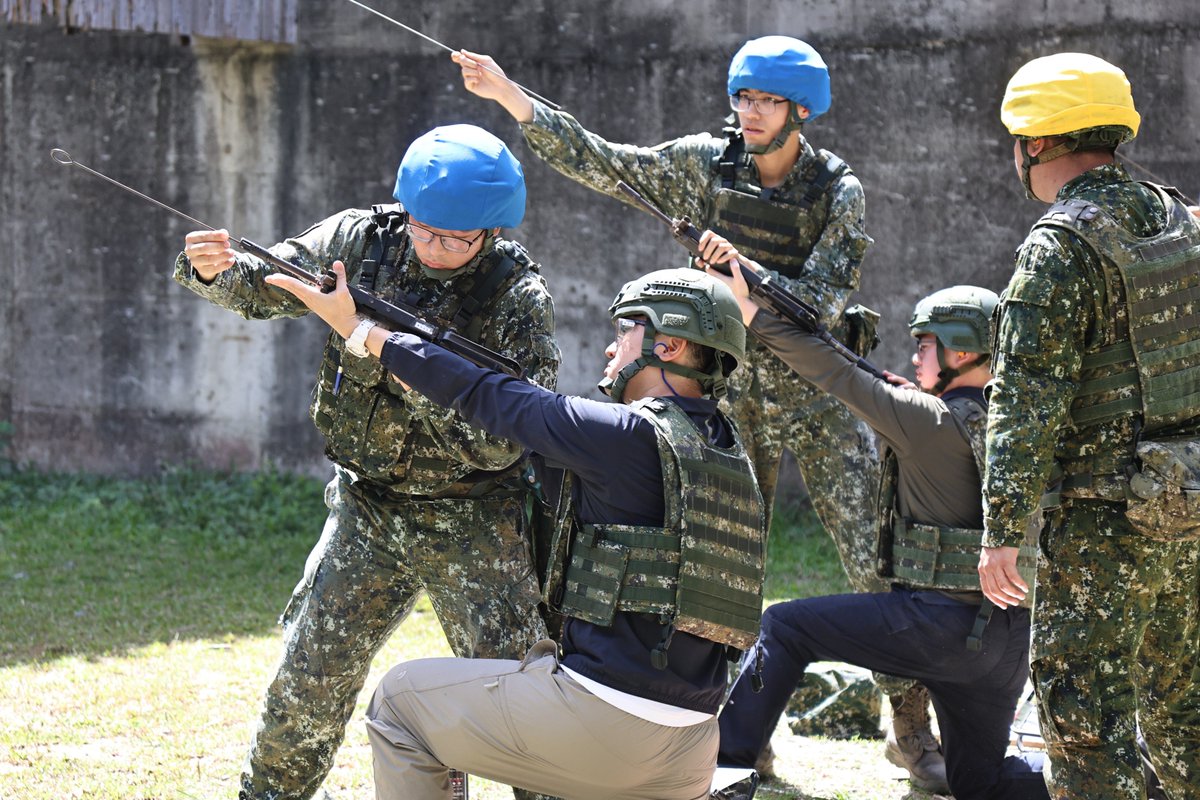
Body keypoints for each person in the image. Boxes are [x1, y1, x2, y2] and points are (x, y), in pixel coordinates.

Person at [451, 35, 947, 782]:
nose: (748, 113)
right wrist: (513, 98)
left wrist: (743, 271)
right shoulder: (703, 165)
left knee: (876, 567)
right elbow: (608, 163)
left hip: (817, 395)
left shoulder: (836, 190)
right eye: (742, 98)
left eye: (767, 101)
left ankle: (913, 738)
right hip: (729, 396)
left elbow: (817, 301)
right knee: (718, 569)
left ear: (800, 112)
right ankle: (738, 736)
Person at [264, 263, 766, 800]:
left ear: (667, 345)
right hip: (692, 751)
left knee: (399, 703)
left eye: (626, 330)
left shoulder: (622, 436)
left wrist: (361, 331)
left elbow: (486, 394)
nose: (611, 347)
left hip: (606, 729)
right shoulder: (731, 459)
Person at [175, 124, 559, 800]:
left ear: (492, 231)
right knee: (308, 677)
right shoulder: (362, 241)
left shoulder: (517, 299)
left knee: (520, 699)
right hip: (369, 507)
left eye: (455, 238)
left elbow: (507, 438)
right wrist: (217, 272)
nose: (434, 246)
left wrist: (376, 345)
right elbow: (274, 280)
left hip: (474, 520)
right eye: (423, 228)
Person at [705, 249, 1047, 800]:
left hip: (939, 629)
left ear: (961, 349)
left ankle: (721, 770)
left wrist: (750, 313)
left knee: (786, 627)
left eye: (925, 344)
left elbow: (833, 371)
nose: (915, 357)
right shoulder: (1014, 423)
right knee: (980, 786)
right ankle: (1126, 787)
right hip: (1006, 642)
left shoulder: (926, 420)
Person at [980, 52, 1200, 799]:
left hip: (1102, 529)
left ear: (1037, 144)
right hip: (1190, 510)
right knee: (1185, 712)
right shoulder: (1180, 219)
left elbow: (1023, 403)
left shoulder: (1058, 247)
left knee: (1083, 724)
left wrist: (1000, 530)